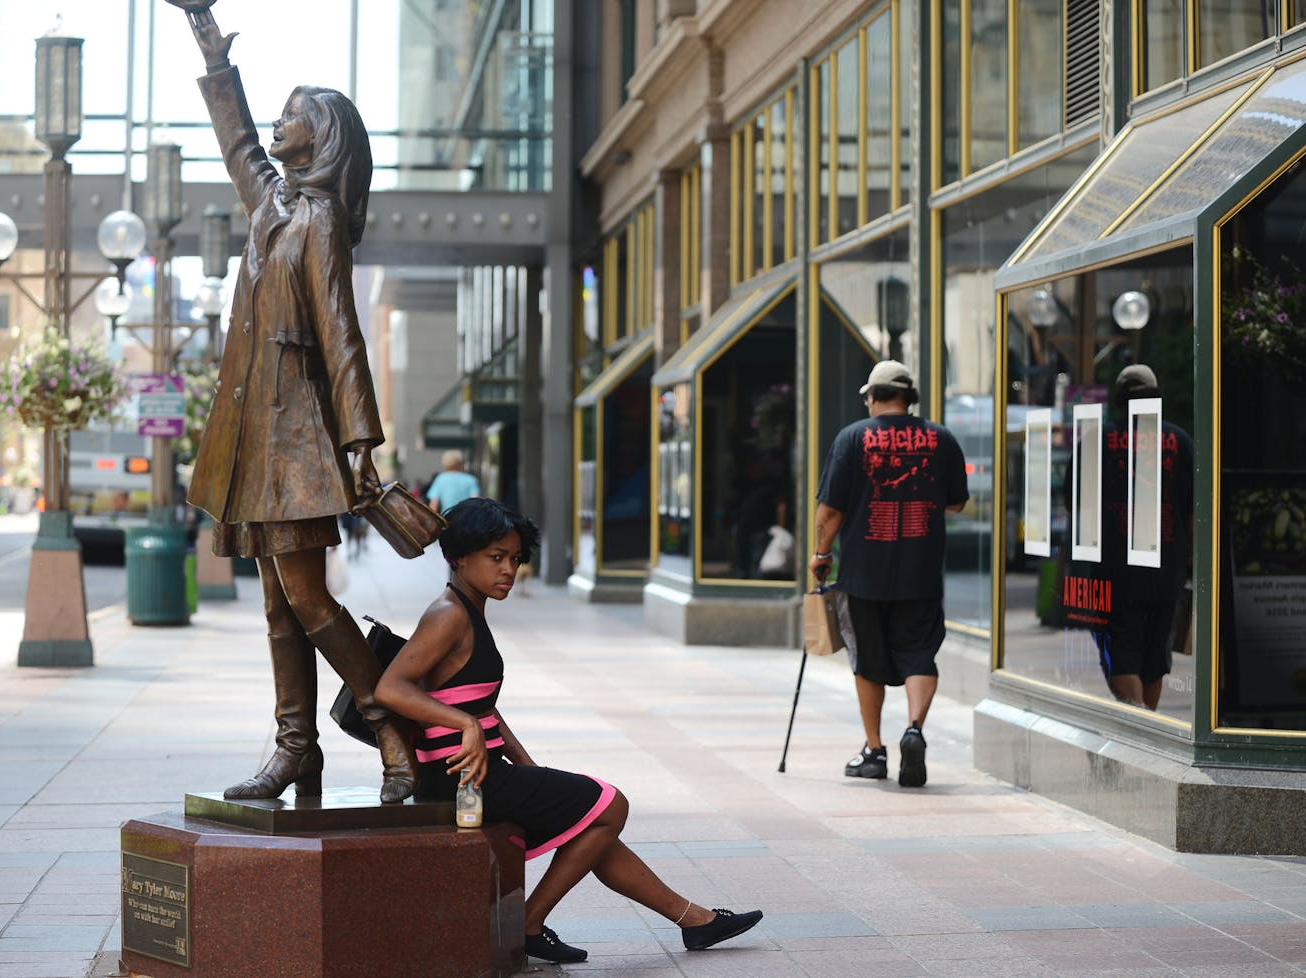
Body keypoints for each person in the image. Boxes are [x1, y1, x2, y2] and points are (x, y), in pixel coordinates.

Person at [170, 0, 416, 804]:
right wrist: (213, 56)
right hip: (254, 435)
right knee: (278, 606)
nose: (276, 126)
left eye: (292, 118)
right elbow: (236, 141)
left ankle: (391, 730)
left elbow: (342, 332)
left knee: (307, 598)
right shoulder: (272, 206)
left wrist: (358, 437)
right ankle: (295, 750)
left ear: (325, 135)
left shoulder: (320, 220)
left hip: (300, 434)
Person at [375, 498, 763, 964]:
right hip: (461, 780)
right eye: (495, 558)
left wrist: (524, 764)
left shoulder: (467, 609)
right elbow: (390, 688)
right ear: (457, 557)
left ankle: (696, 922)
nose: (508, 571)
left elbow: (480, 706)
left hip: (479, 772)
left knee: (593, 829)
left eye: (515, 559)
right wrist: (465, 727)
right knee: (609, 804)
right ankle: (529, 921)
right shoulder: (449, 614)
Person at [808, 360, 968, 787]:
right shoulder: (941, 439)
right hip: (921, 569)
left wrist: (820, 553)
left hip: (864, 572)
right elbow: (957, 503)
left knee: (868, 662)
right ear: (908, 397)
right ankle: (914, 730)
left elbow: (830, 509)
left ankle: (874, 750)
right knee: (920, 653)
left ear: (874, 397)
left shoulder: (853, 438)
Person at [1090, 364, 1193, 709]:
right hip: (1166, 571)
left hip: (1116, 573)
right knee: (1153, 659)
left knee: (1120, 656)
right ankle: (1145, 726)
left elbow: (1077, 506)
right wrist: (1190, 562)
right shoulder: (1179, 441)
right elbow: (1195, 514)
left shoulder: (1100, 441)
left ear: (1120, 400)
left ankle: (1139, 730)